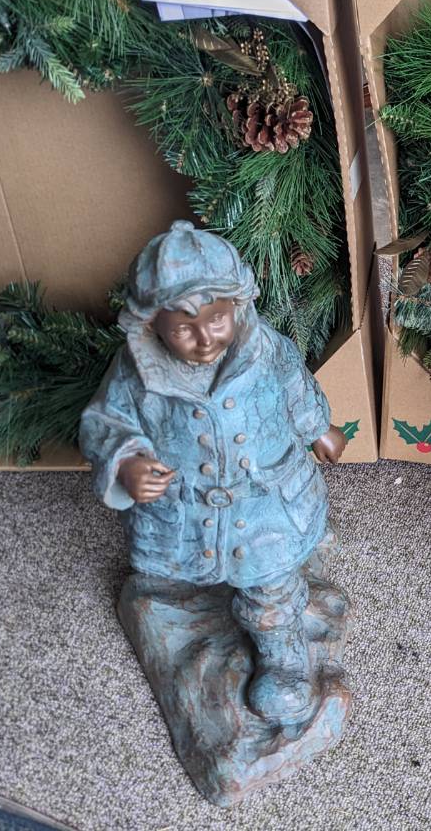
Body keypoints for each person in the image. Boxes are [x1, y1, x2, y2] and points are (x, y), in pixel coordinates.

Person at [80, 222, 346, 727]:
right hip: (187, 507)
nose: (204, 338)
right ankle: (200, 593)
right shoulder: (136, 373)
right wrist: (128, 462)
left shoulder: (265, 349)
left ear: (236, 306)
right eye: (183, 328)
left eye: (216, 319)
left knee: (270, 584)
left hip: (265, 501)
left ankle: (283, 657)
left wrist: (318, 428)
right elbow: (105, 423)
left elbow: (295, 386)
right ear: (151, 324)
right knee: (186, 571)